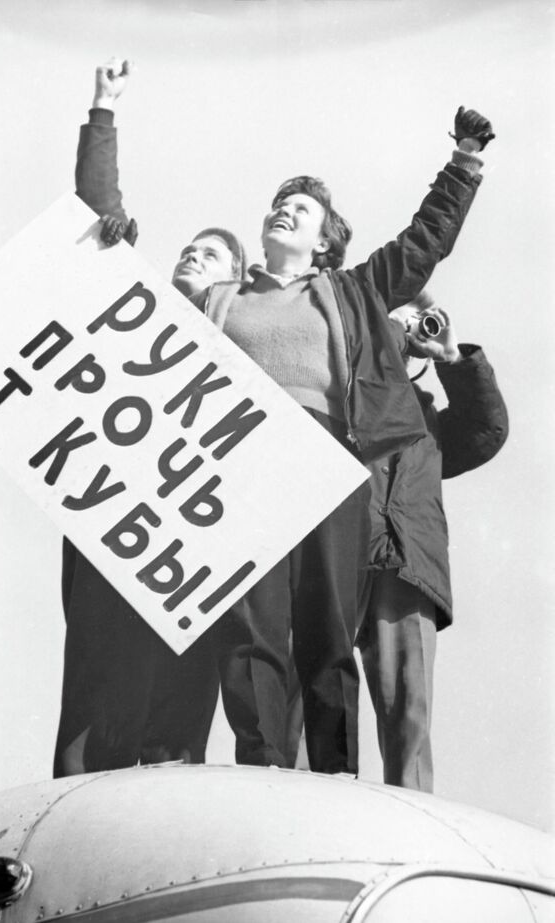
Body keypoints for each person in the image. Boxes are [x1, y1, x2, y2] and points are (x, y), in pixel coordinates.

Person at [190, 106, 495, 774]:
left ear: (326, 242)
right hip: (243, 467)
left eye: (301, 207)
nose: (285, 210)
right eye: (278, 203)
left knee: (327, 628)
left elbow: (424, 244)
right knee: (249, 629)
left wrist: (465, 161)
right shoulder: (219, 301)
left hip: (326, 465)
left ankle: (331, 777)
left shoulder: (352, 291)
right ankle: (265, 767)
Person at [54, 60, 247, 776]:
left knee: (183, 684)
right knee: (101, 674)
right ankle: (80, 799)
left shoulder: (244, 345)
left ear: (236, 280)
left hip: (194, 542)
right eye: (189, 247)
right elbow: (95, 206)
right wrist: (103, 111)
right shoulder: (140, 314)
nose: (194, 253)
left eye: (215, 254)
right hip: (115, 525)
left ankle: (168, 781)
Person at [354, 294, 508, 792]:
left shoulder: (431, 422)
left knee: (409, 708)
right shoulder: (343, 385)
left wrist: (453, 360)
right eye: (393, 321)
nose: (406, 331)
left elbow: (488, 430)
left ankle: (413, 811)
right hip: (339, 553)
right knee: (319, 690)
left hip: (406, 565)